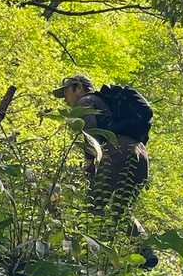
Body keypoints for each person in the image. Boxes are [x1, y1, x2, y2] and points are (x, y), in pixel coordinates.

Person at [52, 74, 151, 239]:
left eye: (66, 92)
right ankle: (145, 248)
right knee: (120, 209)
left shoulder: (85, 102)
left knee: (95, 207)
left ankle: (94, 250)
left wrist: (90, 164)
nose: (65, 99)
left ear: (78, 88)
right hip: (140, 154)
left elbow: (91, 135)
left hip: (116, 153)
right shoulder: (106, 104)